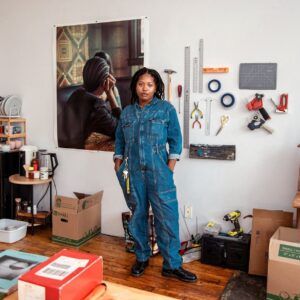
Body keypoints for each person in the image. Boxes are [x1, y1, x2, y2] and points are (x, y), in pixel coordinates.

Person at [113, 67, 197, 283]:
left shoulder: (166, 110)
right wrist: (118, 163)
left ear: (156, 87)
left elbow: (176, 140)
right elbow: (120, 141)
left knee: (167, 218)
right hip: (132, 173)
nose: (145, 88)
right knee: (138, 215)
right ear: (135, 86)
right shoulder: (127, 113)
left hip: (160, 172)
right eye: (141, 84)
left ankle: (172, 265)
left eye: (149, 85)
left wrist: (169, 168)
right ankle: (141, 257)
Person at [59, 57, 121, 149]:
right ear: (104, 81)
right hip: (77, 153)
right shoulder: (96, 105)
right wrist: (110, 92)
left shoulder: (77, 94)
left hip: (62, 147)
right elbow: (121, 130)